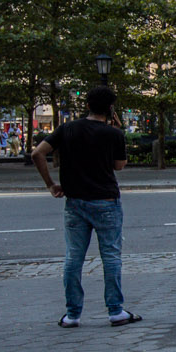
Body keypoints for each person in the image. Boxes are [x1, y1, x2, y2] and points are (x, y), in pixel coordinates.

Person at [32, 85, 140, 329]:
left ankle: (72, 314)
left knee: (74, 257)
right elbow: (119, 165)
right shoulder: (113, 134)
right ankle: (115, 311)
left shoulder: (68, 129)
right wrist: (116, 132)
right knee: (111, 256)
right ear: (111, 108)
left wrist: (51, 184)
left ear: (87, 105)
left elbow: (38, 153)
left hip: (75, 201)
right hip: (106, 200)